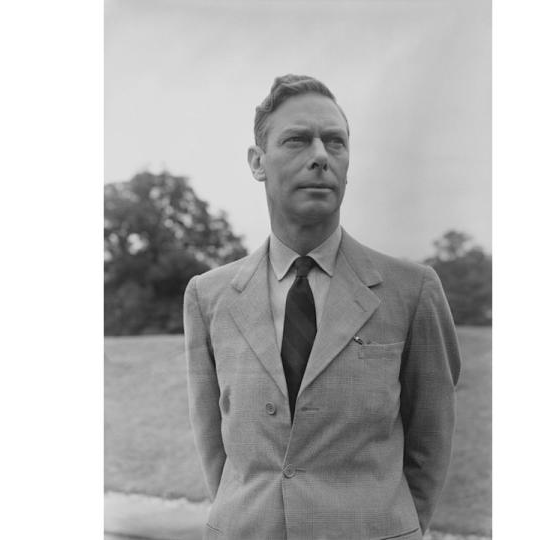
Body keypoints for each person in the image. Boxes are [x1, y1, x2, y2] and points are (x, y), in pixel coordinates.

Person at [184, 74, 461, 540]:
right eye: (296, 140)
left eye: (335, 142)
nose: (320, 155)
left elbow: (431, 442)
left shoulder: (412, 291)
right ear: (258, 162)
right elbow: (214, 443)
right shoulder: (208, 296)